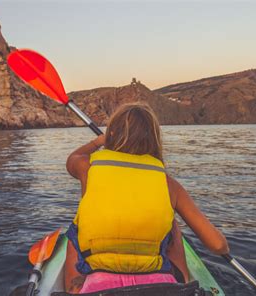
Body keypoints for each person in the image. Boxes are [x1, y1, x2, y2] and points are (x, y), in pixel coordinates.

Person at [64, 102, 229, 294]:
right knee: (172, 224)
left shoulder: (88, 167)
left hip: (96, 283)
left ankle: (74, 290)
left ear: (111, 134)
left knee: (79, 226)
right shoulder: (168, 184)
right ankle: (180, 283)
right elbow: (218, 245)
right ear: (154, 139)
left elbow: (72, 159)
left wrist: (98, 142)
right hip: (160, 284)